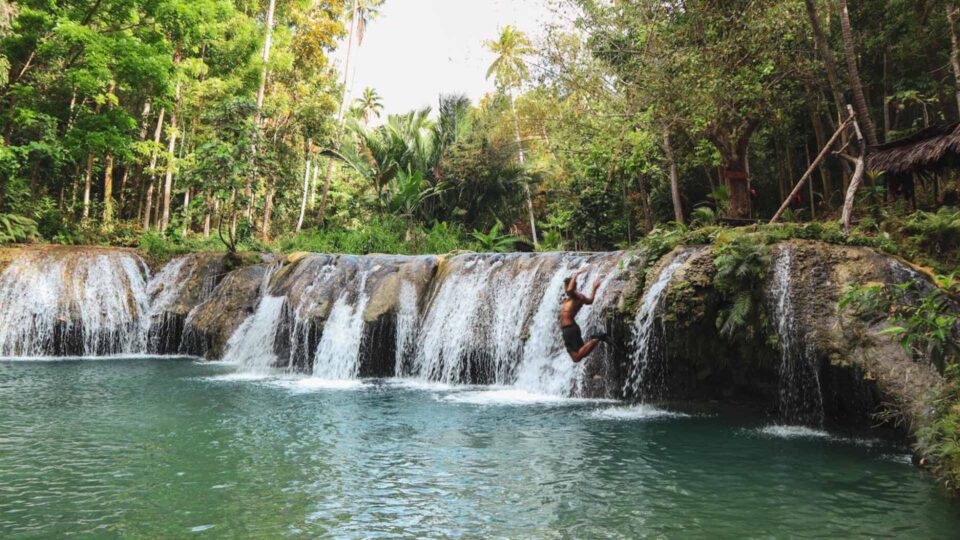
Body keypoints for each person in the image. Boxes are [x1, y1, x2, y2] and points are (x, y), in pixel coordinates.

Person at [560, 268, 609, 363]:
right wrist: (594, 289)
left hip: (570, 329)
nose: (565, 288)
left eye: (567, 285)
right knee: (576, 357)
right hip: (567, 330)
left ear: (573, 285)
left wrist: (576, 274)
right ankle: (596, 338)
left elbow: (570, 290)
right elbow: (590, 301)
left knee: (578, 356)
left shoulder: (576, 295)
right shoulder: (573, 297)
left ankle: (597, 338)